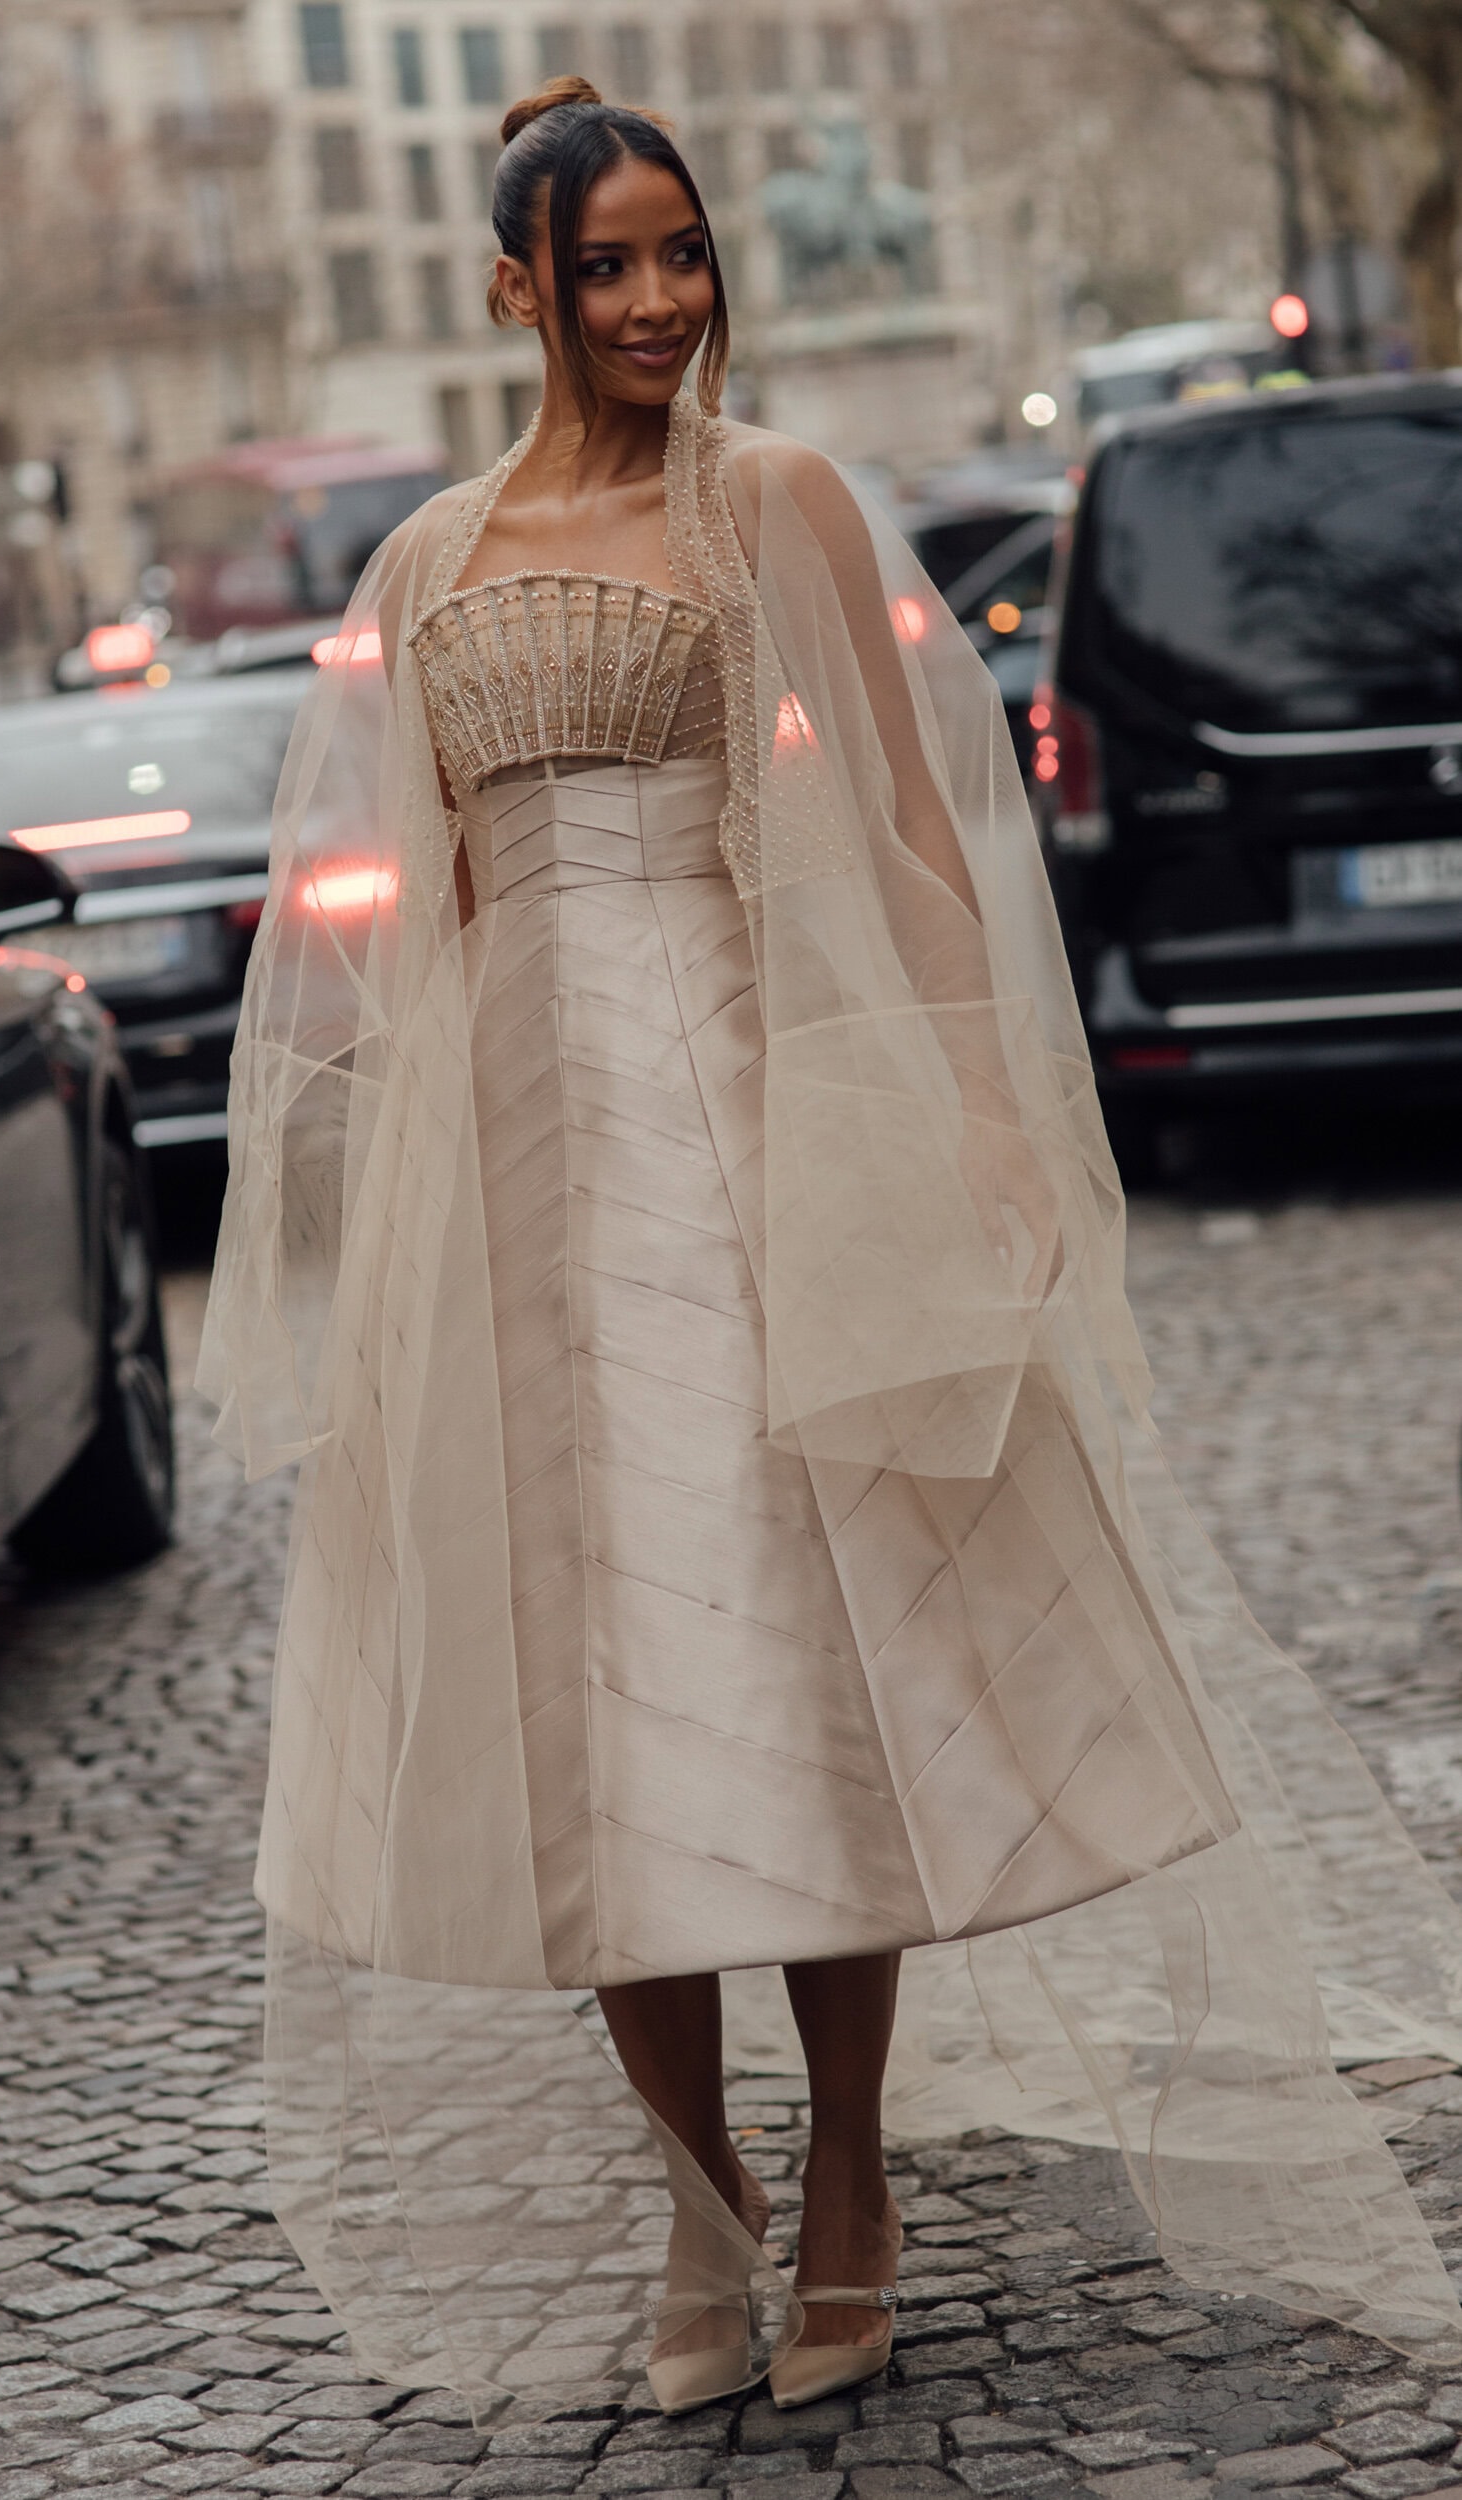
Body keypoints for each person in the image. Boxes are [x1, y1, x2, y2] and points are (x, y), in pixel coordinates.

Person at [201, 78, 1462, 2422]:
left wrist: (976, 1125)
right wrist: (390, 1230)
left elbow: (898, 835)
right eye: (609, 265)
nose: (660, 298)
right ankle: (700, 2196)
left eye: (683, 253)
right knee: (579, 1689)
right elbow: (409, 913)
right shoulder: (423, 569)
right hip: (519, 1169)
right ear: (520, 289)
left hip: (757, 1123)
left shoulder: (773, 501)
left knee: (806, 1653)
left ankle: (857, 2169)